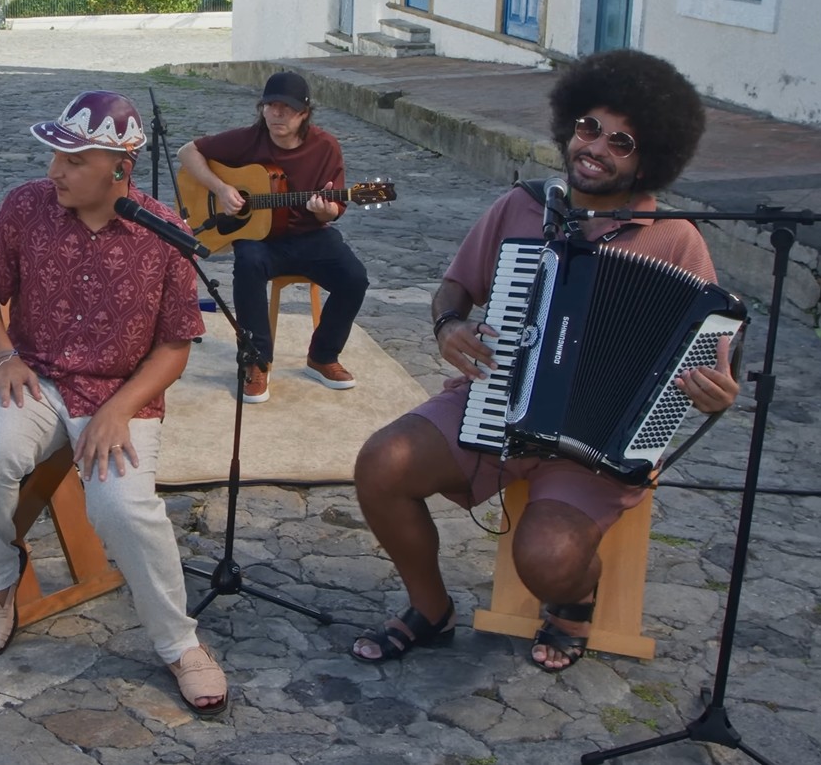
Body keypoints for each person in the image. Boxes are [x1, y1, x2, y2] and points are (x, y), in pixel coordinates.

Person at [349, 50, 739, 673]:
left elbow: (713, 359)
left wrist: (714, 391)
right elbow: (455, 287)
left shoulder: (676, 239)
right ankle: (431, 608)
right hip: (497, 396)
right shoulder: (523, 207)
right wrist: (449, 324)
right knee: (381, 463)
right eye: (589, 127)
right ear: (568, 125)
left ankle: (572, 599)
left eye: (622, 141)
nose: (597, 147)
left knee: (547, 560)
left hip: (599, 441)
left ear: (648, 159)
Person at [0, 91, 230, 717]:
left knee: (123, 507)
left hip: (119, 392)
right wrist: (3, 355)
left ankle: (178, 642)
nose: (55, 171)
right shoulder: (27, 205)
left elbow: (174, 346)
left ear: (118, 169)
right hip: (36, 377)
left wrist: (119, 409)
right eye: (54, 154)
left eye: (73, 160)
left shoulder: (164, 233)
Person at [176, 71, 371, 403]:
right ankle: (257, 360)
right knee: (248, 264)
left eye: (287, 108)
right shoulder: (248, 139)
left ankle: (322, 356)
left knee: (354, 278)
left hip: (310, 236)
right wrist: (222, 189)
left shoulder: (325, 147)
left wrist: (326, 210)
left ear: (304, 113)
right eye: (271, 106)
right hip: (259, 240)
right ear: (262, 108)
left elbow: (335, 206)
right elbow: (186, 152)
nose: (277, 114)